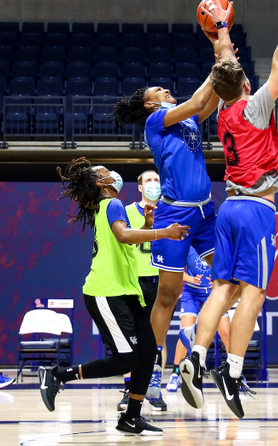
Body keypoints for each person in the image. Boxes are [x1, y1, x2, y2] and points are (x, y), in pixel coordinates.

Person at [180, 0, 278, 419]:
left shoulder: (224, 112)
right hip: (255, 210)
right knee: (255, 290)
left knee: (222, 288)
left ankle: (195, 355)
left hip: (227, 206)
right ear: (246, 86)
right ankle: (231, 371)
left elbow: (226, 66)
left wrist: (222, 30)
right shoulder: (255, 107)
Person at [111, 38, 227, 404]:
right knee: (168, 296)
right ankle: (151, 375)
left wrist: (223, 53)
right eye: (159, 89)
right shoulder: (156, 120)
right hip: (175, 212)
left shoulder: (188, 120)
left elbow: (208, 102)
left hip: (206, 210)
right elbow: (196, 99)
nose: (166, 89)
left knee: (218, 282)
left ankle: (197, 358)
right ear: (150, 103)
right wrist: (215, 68)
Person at [38, 157, 189, 437]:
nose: (113, 174)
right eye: (107, 172)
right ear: (101, 183)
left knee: (148, 354)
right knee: (129, 358)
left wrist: (145, 227)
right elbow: (122, 235)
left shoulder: (106, 207)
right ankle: (58, 375)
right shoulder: (113, 204)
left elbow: (127, 242)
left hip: (127, 293)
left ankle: (132, 418)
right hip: (106, 292)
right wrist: (164, 232)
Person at [117, 169, 168, 412]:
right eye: (148, 180)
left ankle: (154, 388)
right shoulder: (126, 212)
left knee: (158, 337)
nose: (153, 184)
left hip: (161, 277)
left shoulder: (169, 210)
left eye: (156, 180)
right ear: (139, 187)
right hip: (134, 279)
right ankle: (130, 388)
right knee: (132, 336)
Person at [166, 246, 230, 392]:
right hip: (191, 294)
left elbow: (228, 268)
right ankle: (176, 374)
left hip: (213, 294)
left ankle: (235, 374)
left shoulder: (218, 245)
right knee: (186, 333)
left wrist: (218, 280)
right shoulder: (188, 246)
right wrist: (192, 279)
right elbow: (177, 271)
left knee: (226, 332)